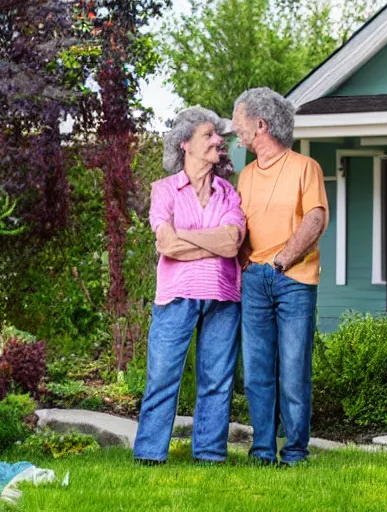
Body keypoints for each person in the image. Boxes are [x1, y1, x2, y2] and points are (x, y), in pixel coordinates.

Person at [133, 106, 245, 464]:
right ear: (186, 144)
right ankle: (150, 453)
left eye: (218, 135)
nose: (218, 141)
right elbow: (165, 244)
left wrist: (186, 236)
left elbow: (232, 245)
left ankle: (210, 454)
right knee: (163, 377)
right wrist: (209, 242)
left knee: (216, 381)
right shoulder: (164, 190)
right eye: (209, 135)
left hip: (223, 296)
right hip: (175, 296)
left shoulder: (228, 193)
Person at [232, 87, 328, 465]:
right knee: (256, 372)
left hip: (294, 281)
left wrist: (282, 261)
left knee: (293, 371)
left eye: (238, 121)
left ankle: (295, 452)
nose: (234, 129)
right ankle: (261, 451)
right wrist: (245, 262)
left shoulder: (306, 167)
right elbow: (239, 225)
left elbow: (316, 218)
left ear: (260, 124)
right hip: (254, 280)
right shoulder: (246, 175)